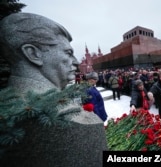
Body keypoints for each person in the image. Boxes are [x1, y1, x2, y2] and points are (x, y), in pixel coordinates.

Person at [0, 13, 107, 166]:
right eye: (68, 53)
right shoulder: (69, 120)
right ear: (33, 54)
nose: (76, 62)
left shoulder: (10, 103)